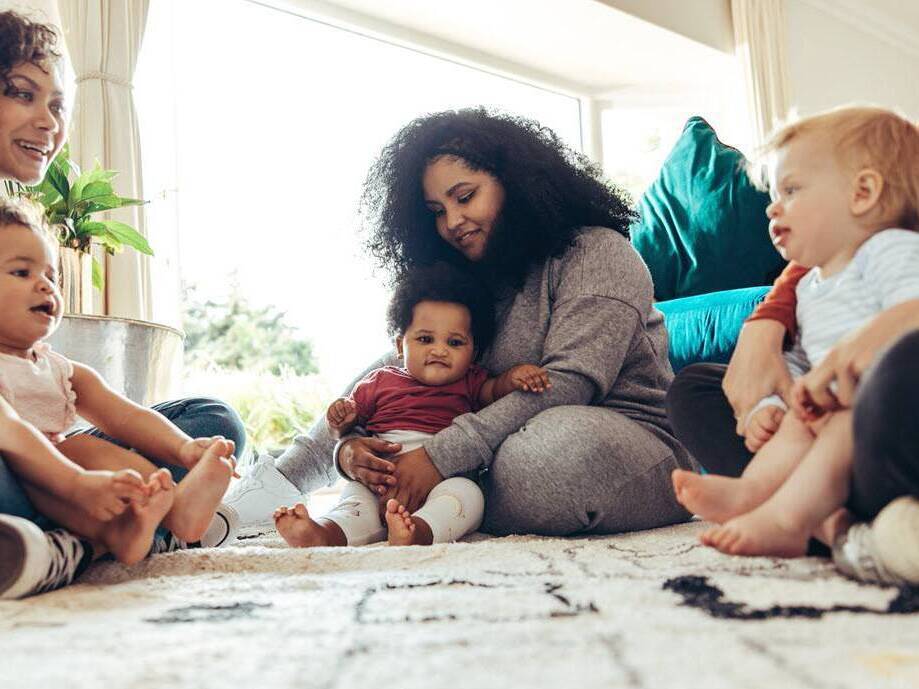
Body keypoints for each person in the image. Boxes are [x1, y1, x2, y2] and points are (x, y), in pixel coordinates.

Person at [224, 107, 697, 538]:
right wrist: (350, 450)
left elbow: (569, 383)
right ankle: (280, 483)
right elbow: (403, 373)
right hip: (488, 449)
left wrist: (436, 457)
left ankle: (432, 498)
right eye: (436, 212)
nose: (453, 221)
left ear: (517, 183)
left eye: (465, 196)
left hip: (626, 440)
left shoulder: (597, 252)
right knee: (403, 362)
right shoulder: (469, 279)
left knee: (546, 461)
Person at [0, 10, 247, 599]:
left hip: (50, 440)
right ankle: (108, 535)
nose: (47, 121)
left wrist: (185, 449)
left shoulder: (19, 221)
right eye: (20, 93)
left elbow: (107, 406)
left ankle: (86, 538)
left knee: (214, 422)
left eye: (58, 105)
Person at [667, 108, 919, 582]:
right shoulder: (811, 286)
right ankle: (789, 505)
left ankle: (790, 518)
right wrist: (768, 405)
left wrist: (862, 353)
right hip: (836, 442)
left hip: (887, 421)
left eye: (792, 190)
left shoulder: (892, 250)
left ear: (862, 193)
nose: (772, 207)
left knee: (852, 404)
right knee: (707, 390)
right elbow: (797, 363)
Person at [274, 263, 550, 547]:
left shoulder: (471, 381)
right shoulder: (380, 380)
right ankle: (325, 533)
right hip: (379, 476)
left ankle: (418, 531)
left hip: (444, 477)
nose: (439, 349)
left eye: (455, 342)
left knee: (467, 496)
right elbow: (349, 428)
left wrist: (514, 378)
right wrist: (340, 420)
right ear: (400, 346)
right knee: (355, 503)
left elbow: (495, 392)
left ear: (473, 353)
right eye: (425, 339)